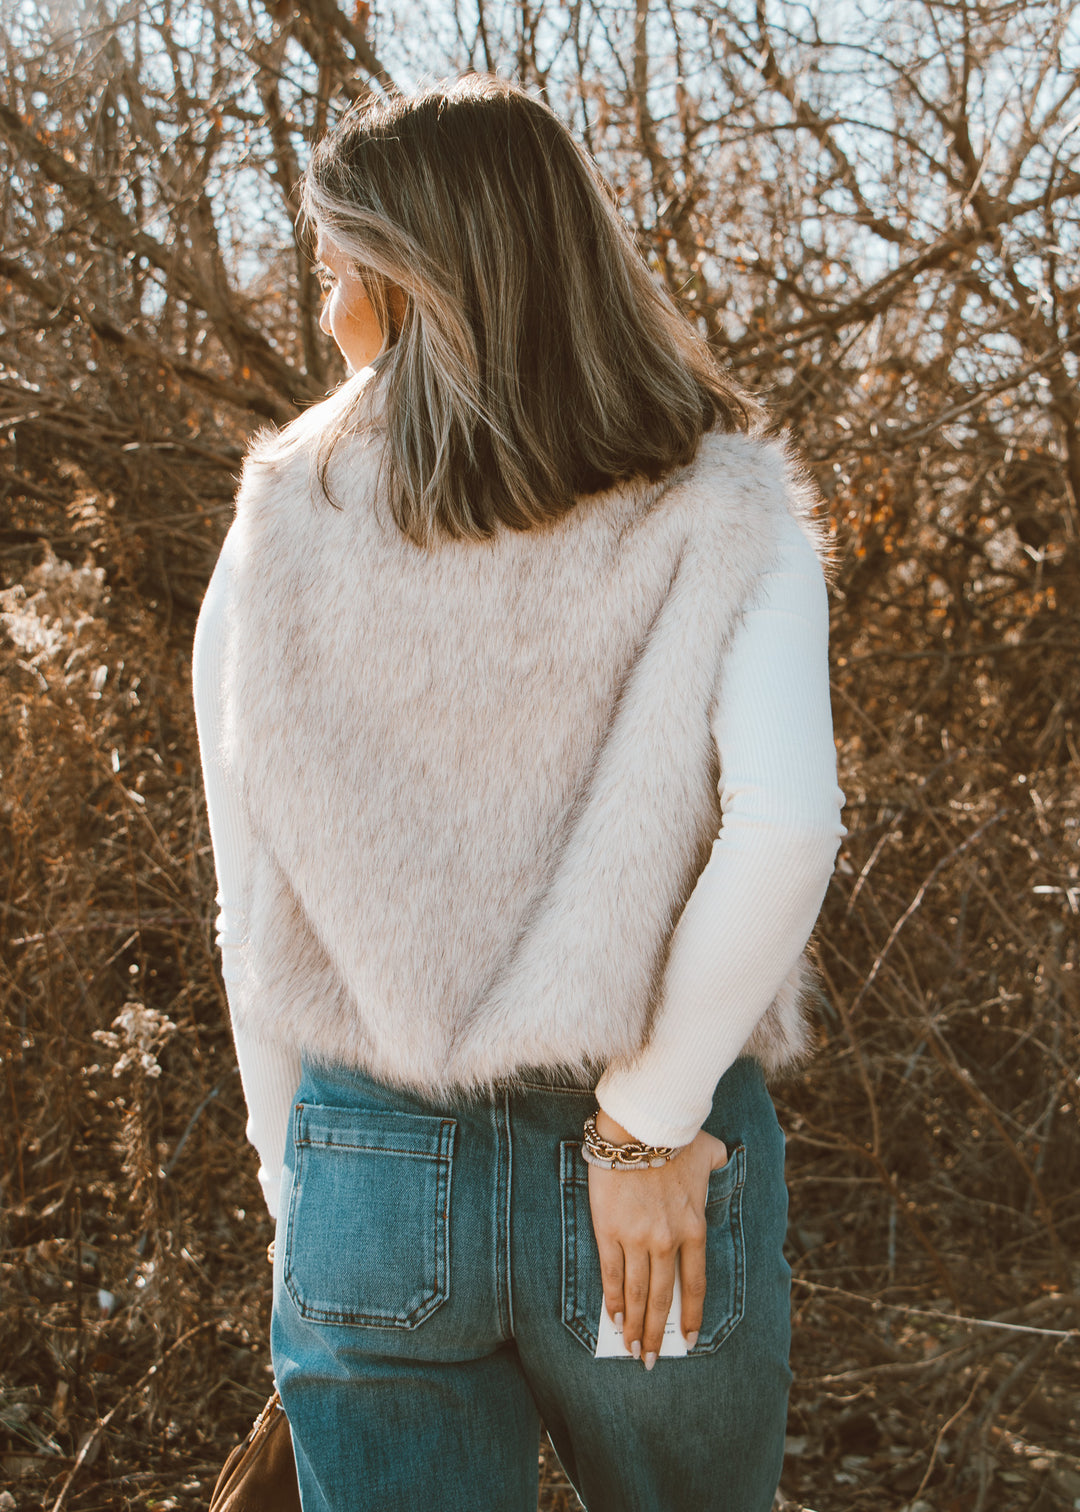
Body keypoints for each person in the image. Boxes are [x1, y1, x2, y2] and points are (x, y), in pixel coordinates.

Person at [193, 72, 845, 1512]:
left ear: (408, 282)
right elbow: (788, 827)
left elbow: (253, 903)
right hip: (639, 1175)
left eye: (338, 274)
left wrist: (297, 1183)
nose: (327, 315)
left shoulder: (277, 524)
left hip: (366, 1151)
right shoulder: (724, 504)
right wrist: (646, 1124)